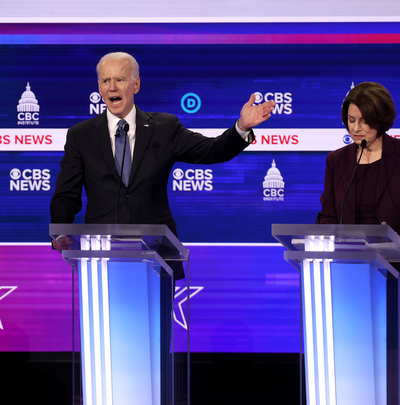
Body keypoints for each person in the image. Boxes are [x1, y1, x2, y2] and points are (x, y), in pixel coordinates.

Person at [50, 51, 276, 280]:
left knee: (157, 315)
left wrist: (242, 127)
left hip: (156, 255)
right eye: (106, 81)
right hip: (100, 256)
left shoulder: (164, 127)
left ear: (136, 84)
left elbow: (211, 150)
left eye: (120, 79)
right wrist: (60, 232)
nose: (112, 87)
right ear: (99, 86)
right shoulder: (81, 135)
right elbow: (66, 194)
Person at [316, 81, 400, 405]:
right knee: (351, 357)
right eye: (351, 120)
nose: (356, 128)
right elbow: (326, 215)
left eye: (363, 121)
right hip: (347, 273)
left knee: (393, 357)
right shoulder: (337, 161)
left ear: (380, 120)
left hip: (394, 270)